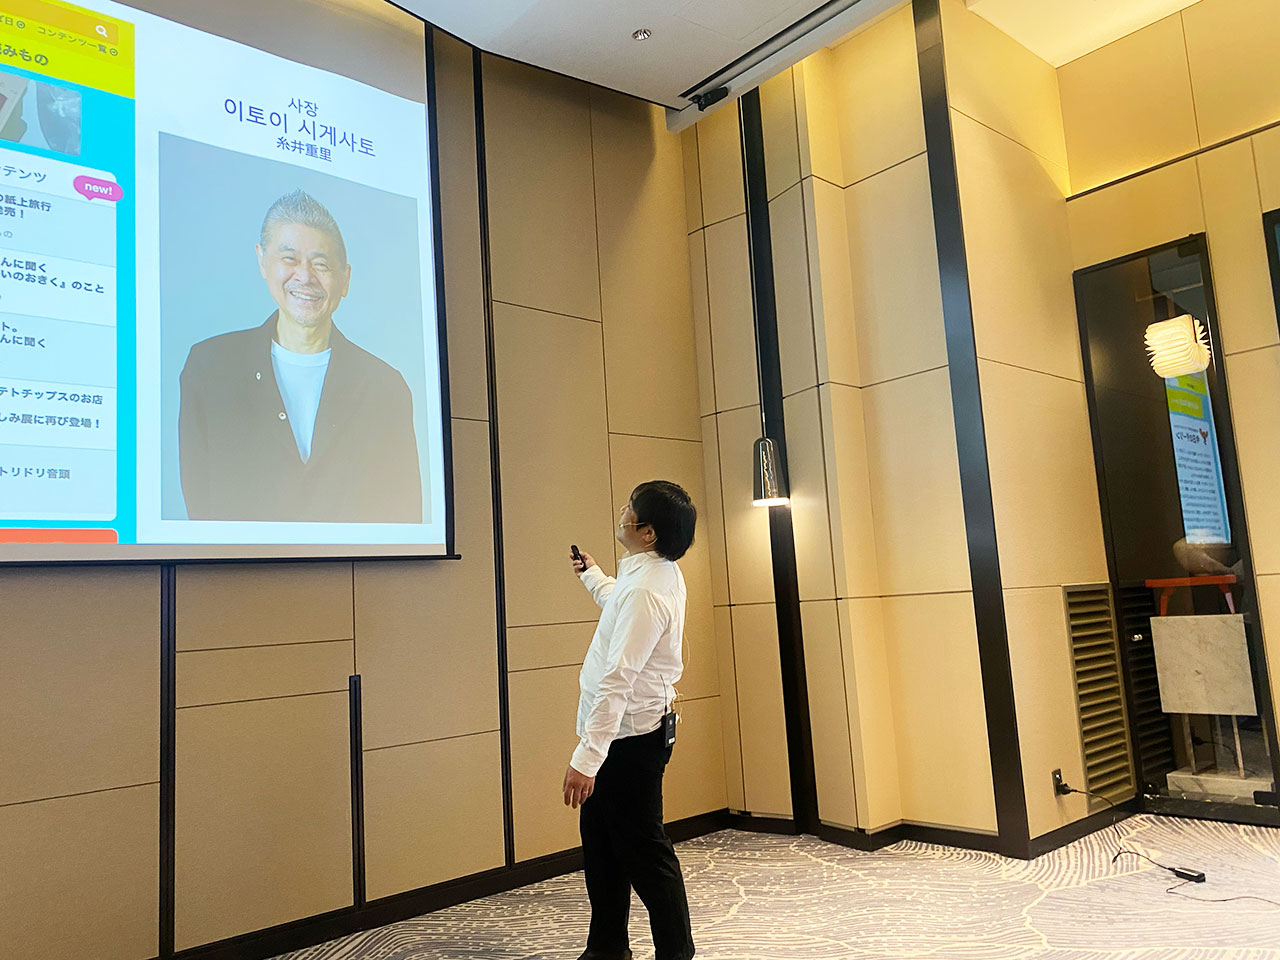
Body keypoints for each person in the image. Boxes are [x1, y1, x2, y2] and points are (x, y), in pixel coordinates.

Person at [178, 188, 422, 522]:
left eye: (321, 264)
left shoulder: (385, 388)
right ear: (262, 261)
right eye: (290, 259)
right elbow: (199, 508)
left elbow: (404, 517)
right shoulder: (210, 368)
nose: (305, 276)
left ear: (345, 279)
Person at [565, 480, 698, 960]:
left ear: (648, 532)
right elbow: (619, 603)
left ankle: (676, 955)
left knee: (646, 855)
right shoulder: (649, 572)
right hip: (619, 738)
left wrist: (587, 758)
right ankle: (606, 950)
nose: (622, 511)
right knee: (602, 848)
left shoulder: (646, 590)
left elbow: (618, 679)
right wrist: (593, 576)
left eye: (630, 508)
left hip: (627, 742)